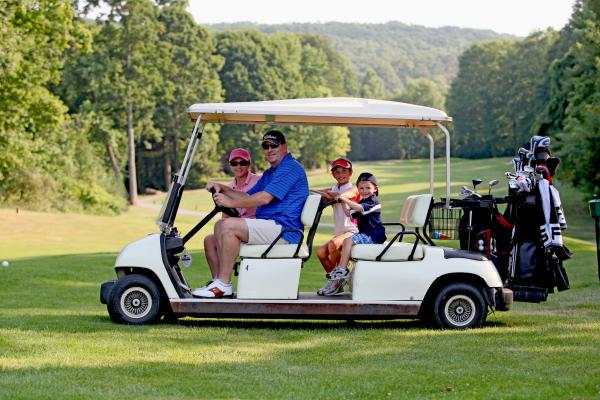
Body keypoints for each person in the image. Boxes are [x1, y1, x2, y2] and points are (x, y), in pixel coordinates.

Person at [192, 130, 309, 298]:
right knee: (219, 226)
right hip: (271, 226)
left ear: (284, 147)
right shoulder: (270, 173)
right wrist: (222, 187)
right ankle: (219, 282)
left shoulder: (290, 168)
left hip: (284, 230)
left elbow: (264, 198)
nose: (269, 149)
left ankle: (223, 284)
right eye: (265, 146)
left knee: (228, 226)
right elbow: (248, 196)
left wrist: (230, 203)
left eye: (274, 145)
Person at [318, 172, 386, 296]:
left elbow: (360, 208)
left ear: (375, 189)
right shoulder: (364, 201)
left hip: (374, 236)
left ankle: (342, 270)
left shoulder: (373, 201)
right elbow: (349, 214)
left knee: (348, 240)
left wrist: (344, 198)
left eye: (368, 188)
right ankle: (340, 272)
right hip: (366, 234)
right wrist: (343, 202)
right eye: (361, 188)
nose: (364, 191)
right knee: (346, 241)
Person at [202, 148, 260, 288]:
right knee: (209, 240)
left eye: (243, 163)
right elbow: (225, 217)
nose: (238, 166)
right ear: (230, 165)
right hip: (236, 229)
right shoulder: (228, 187)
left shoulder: (258, 181)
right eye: (234, 163)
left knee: (224, 227)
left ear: (249, 164)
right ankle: (217, 281)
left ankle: (223, 282)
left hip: (253, 228)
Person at [310, 158, 359, 295]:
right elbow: (319, 192)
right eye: (336, 172)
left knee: (333, 244)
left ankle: (337, 281)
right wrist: (308, 190)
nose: (340, 174)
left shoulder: (354, 188)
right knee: (321, 252)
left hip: (353, 232)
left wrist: (331, 195)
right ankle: (337, 282)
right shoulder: (334, 188)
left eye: (344, 171)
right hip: (340, 233)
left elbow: (343, 195)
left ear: (350, 172)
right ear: (332, 174)